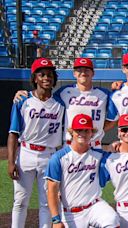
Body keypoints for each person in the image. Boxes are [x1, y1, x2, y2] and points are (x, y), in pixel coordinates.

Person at [8, 58, 64, 228]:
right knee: (20, 201)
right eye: (42, 74)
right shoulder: (23, 101)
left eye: (50, 75)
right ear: (35, 78)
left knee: (47, 202)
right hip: (26, 153)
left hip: (49, 155)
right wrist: (11, 162)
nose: (46, 77)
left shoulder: (61, 102)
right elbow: (13, 133)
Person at [14, 57, 112, 148]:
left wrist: (99, 129)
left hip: (94, 145)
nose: (83, 73)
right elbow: (45, 98)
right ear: (74, 73)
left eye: (86, 70)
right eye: (79, 70)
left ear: (93, 73)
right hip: (70, 146)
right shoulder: (64, 92)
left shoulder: (104, 94)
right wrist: (26, 94)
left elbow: (116, 115)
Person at [45, 114, 119, 227]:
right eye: (79, 130)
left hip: (94, 207)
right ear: (72, 132)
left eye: (86, 130)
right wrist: (56, 220)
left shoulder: (99, 156)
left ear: (92, 133)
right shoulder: (58, 158)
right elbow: (51, 190)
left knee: (111, 219)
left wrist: (120, 144)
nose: (82, 134)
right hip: (70, 213)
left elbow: (122, 153)